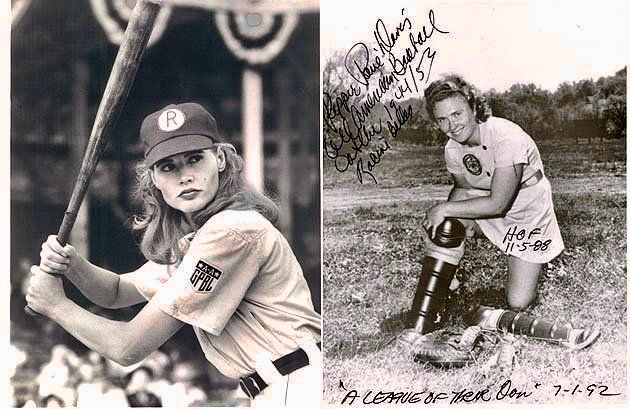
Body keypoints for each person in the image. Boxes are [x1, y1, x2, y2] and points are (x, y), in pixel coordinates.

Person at [26, 102, 322, 407]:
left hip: (299, 385)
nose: (185, 176)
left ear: (220, 159)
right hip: (281, 385)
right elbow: (115, 292)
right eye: (168, 166)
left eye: (194, 159)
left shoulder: (232, 232)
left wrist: (55, 305)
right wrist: (72, 264)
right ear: (154, 177)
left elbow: (128, 347)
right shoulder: (200, 240)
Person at [403, 74, 598, 349]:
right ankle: (435, 299)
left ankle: (533, 265)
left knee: (518, 301)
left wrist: (444, 208)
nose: (451, 125)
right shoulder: (452, 148)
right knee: (445, 223)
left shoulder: (507, 137)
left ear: (473, 106)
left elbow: (499, 204)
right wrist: (443, 227)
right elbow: (462, 189)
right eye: (442, 119)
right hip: (490, 204)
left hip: (526, 211)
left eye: (457, 114)